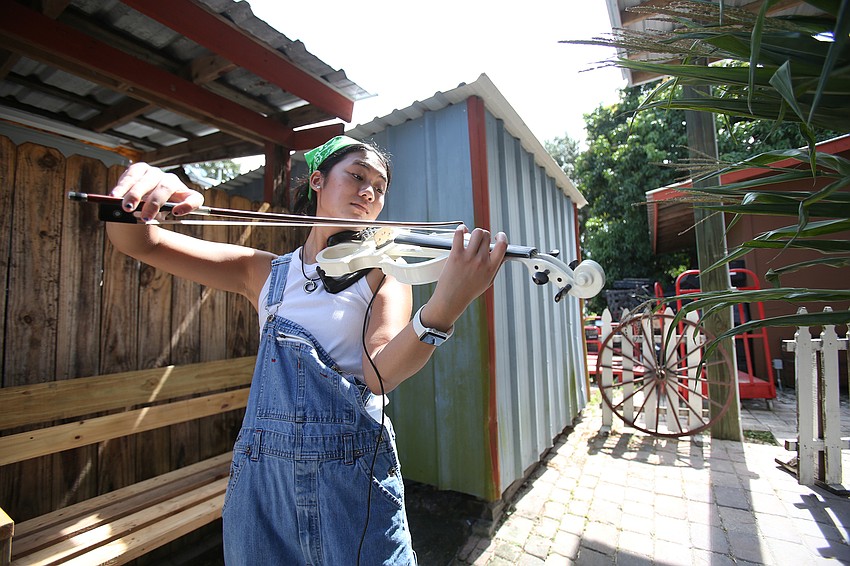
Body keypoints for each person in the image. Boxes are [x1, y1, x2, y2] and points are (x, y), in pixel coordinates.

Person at [106, 135, 508, 565]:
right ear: (317, 180)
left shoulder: (383, 273)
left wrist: (443, 309)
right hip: (263, 486)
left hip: (351, 480)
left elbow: (380, 374)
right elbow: (140, 244)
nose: (369, 191)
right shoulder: (261, 272)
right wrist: (135, 196)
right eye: (356, 175)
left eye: (379, 186)